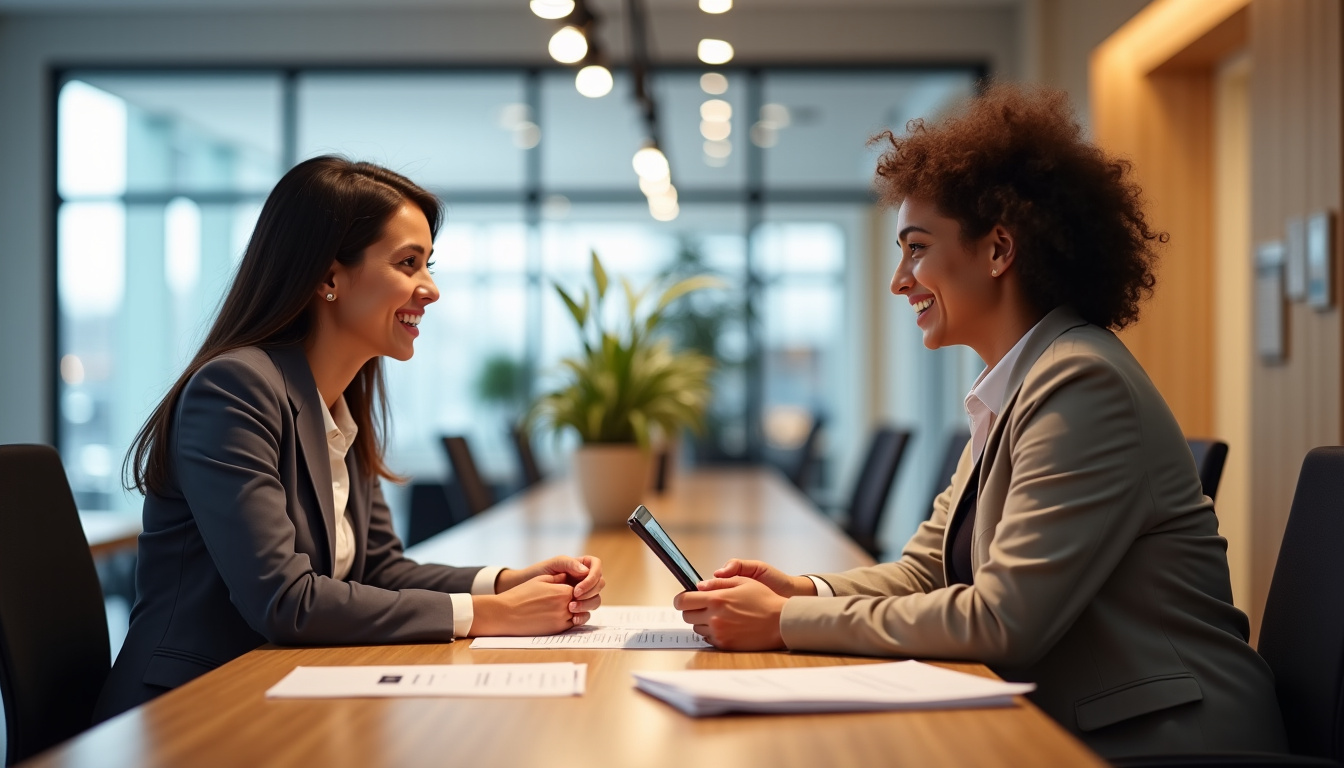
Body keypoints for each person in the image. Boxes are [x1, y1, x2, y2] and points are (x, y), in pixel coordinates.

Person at [673, 84, 1286, 758]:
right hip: (1085, 721)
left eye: (916, 249)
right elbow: (927, 572)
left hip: (1167, 740)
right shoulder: (1020, 382)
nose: (899, 280)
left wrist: (787, 621)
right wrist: (805, 588)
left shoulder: (1082, 383)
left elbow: (1003, 620)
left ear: (998, 250)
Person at [94, 156, 605, 721]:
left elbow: (379, 570)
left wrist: (510, 582)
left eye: (428, 264)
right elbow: (284, 600)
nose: (430, 289)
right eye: (408, 263)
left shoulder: (337, 399)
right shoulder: (234, 389)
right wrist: (492, 614)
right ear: (328, 276)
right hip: (192, 709)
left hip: (282, 690)